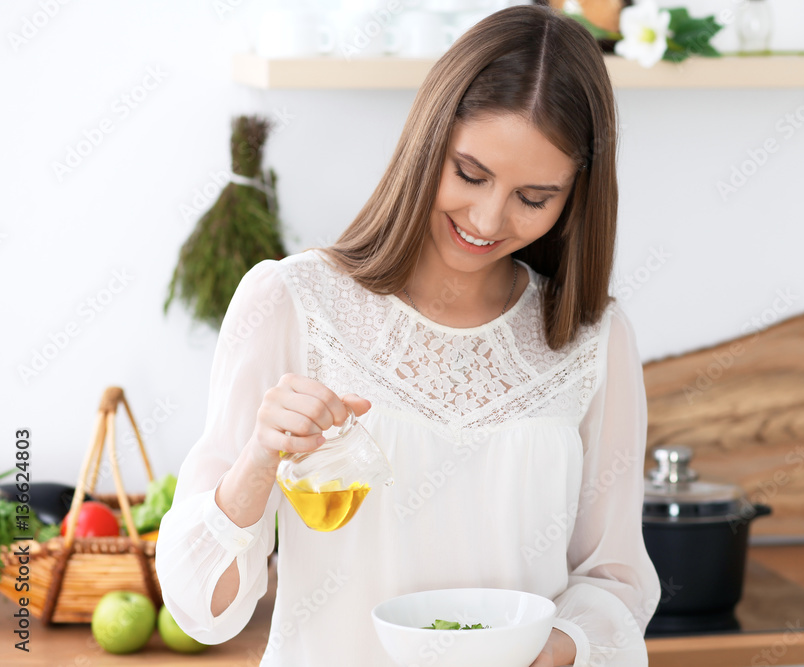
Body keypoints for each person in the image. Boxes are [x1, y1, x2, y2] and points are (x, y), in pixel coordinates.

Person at [156, 4, 660, 665]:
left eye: (533, 197)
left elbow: (615, 582)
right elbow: (202, 609)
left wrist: (551, 649)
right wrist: (258, 458)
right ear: (427, 141)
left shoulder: (594, 341)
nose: (487, 217)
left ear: (575, 197)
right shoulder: (292, 302)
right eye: (470, 174)